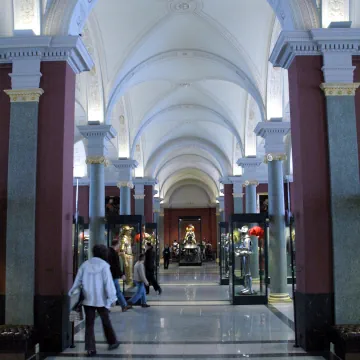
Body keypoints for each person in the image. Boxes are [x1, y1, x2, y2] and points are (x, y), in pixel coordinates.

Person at [69, 244, 120, 357]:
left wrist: (72, 293)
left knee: (89, 324)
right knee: (106, 321)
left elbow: (78, 281)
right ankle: (112, 341)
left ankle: (90, 348)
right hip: (101, 299)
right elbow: (108, 284)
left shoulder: (85, 265)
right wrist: (112, 297)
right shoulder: (104, 266)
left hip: (88, 299)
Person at [108, 239, 132, 312]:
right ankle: (124, 305)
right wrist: (121, 274)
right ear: (117, 244)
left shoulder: (107, 251)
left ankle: (123, 305)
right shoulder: (114, 253)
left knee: (109, 291)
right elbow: (116, 266)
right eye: (119, 244)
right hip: (113, 275)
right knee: (118, 291)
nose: (119, 246)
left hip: (108, 275)